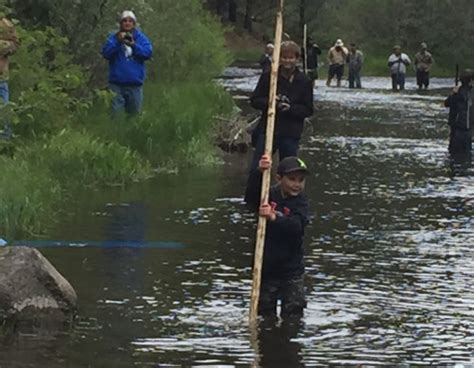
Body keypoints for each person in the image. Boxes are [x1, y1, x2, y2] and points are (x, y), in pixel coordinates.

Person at [244, 41, 313, 203]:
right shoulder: (269, 76)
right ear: (278, 58)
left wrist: (290, 108)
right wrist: (270, 102)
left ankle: (286, 203)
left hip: (291, 132)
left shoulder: (304, 81)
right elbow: (254, 100)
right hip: (267, 129)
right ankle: (252, 202)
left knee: (290, 172)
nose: (287, 61)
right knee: (258, 169)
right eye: (284, 57)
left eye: (291, 58)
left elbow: (308, 110)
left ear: (297, 59)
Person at [246, 155, 310, 318]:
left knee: (293, 312)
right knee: (264, 311)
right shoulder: (269, 194)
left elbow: (297, 226)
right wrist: (259, 172)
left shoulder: (301, 202)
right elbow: (251, 198)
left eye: (301, 180)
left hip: (291, 268)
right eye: (292, 179)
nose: (297, 184)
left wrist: (275, 217)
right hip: (267, 266)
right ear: (279, 178)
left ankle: (289, 339)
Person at [102, 10, 152, 117]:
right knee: (116, 116)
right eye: (124, 21)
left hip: (135, 85)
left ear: (134, 24)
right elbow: (106, 53)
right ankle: (115, 133)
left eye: (130, 21)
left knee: (134, 117)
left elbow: (147, 53)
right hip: (116, 85)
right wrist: (118, 42)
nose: (127, 23)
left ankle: (132, 134)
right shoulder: (114, 37)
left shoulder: (140, 38)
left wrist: (134, 45)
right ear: (121, 23)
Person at [444, 69, 473, 157]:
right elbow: (447, 103)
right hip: (461, 130)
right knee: (462, 156)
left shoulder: (461, 92)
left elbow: (446, 103)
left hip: (462, 130)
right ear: (471, 81)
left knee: (457, 156)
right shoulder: (462, 93)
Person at [0, 16, 18, 139]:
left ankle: (5, 143)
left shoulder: (4, 23)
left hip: (0, 78)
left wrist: (2, 46)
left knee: (4, 110)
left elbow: (15, 44)